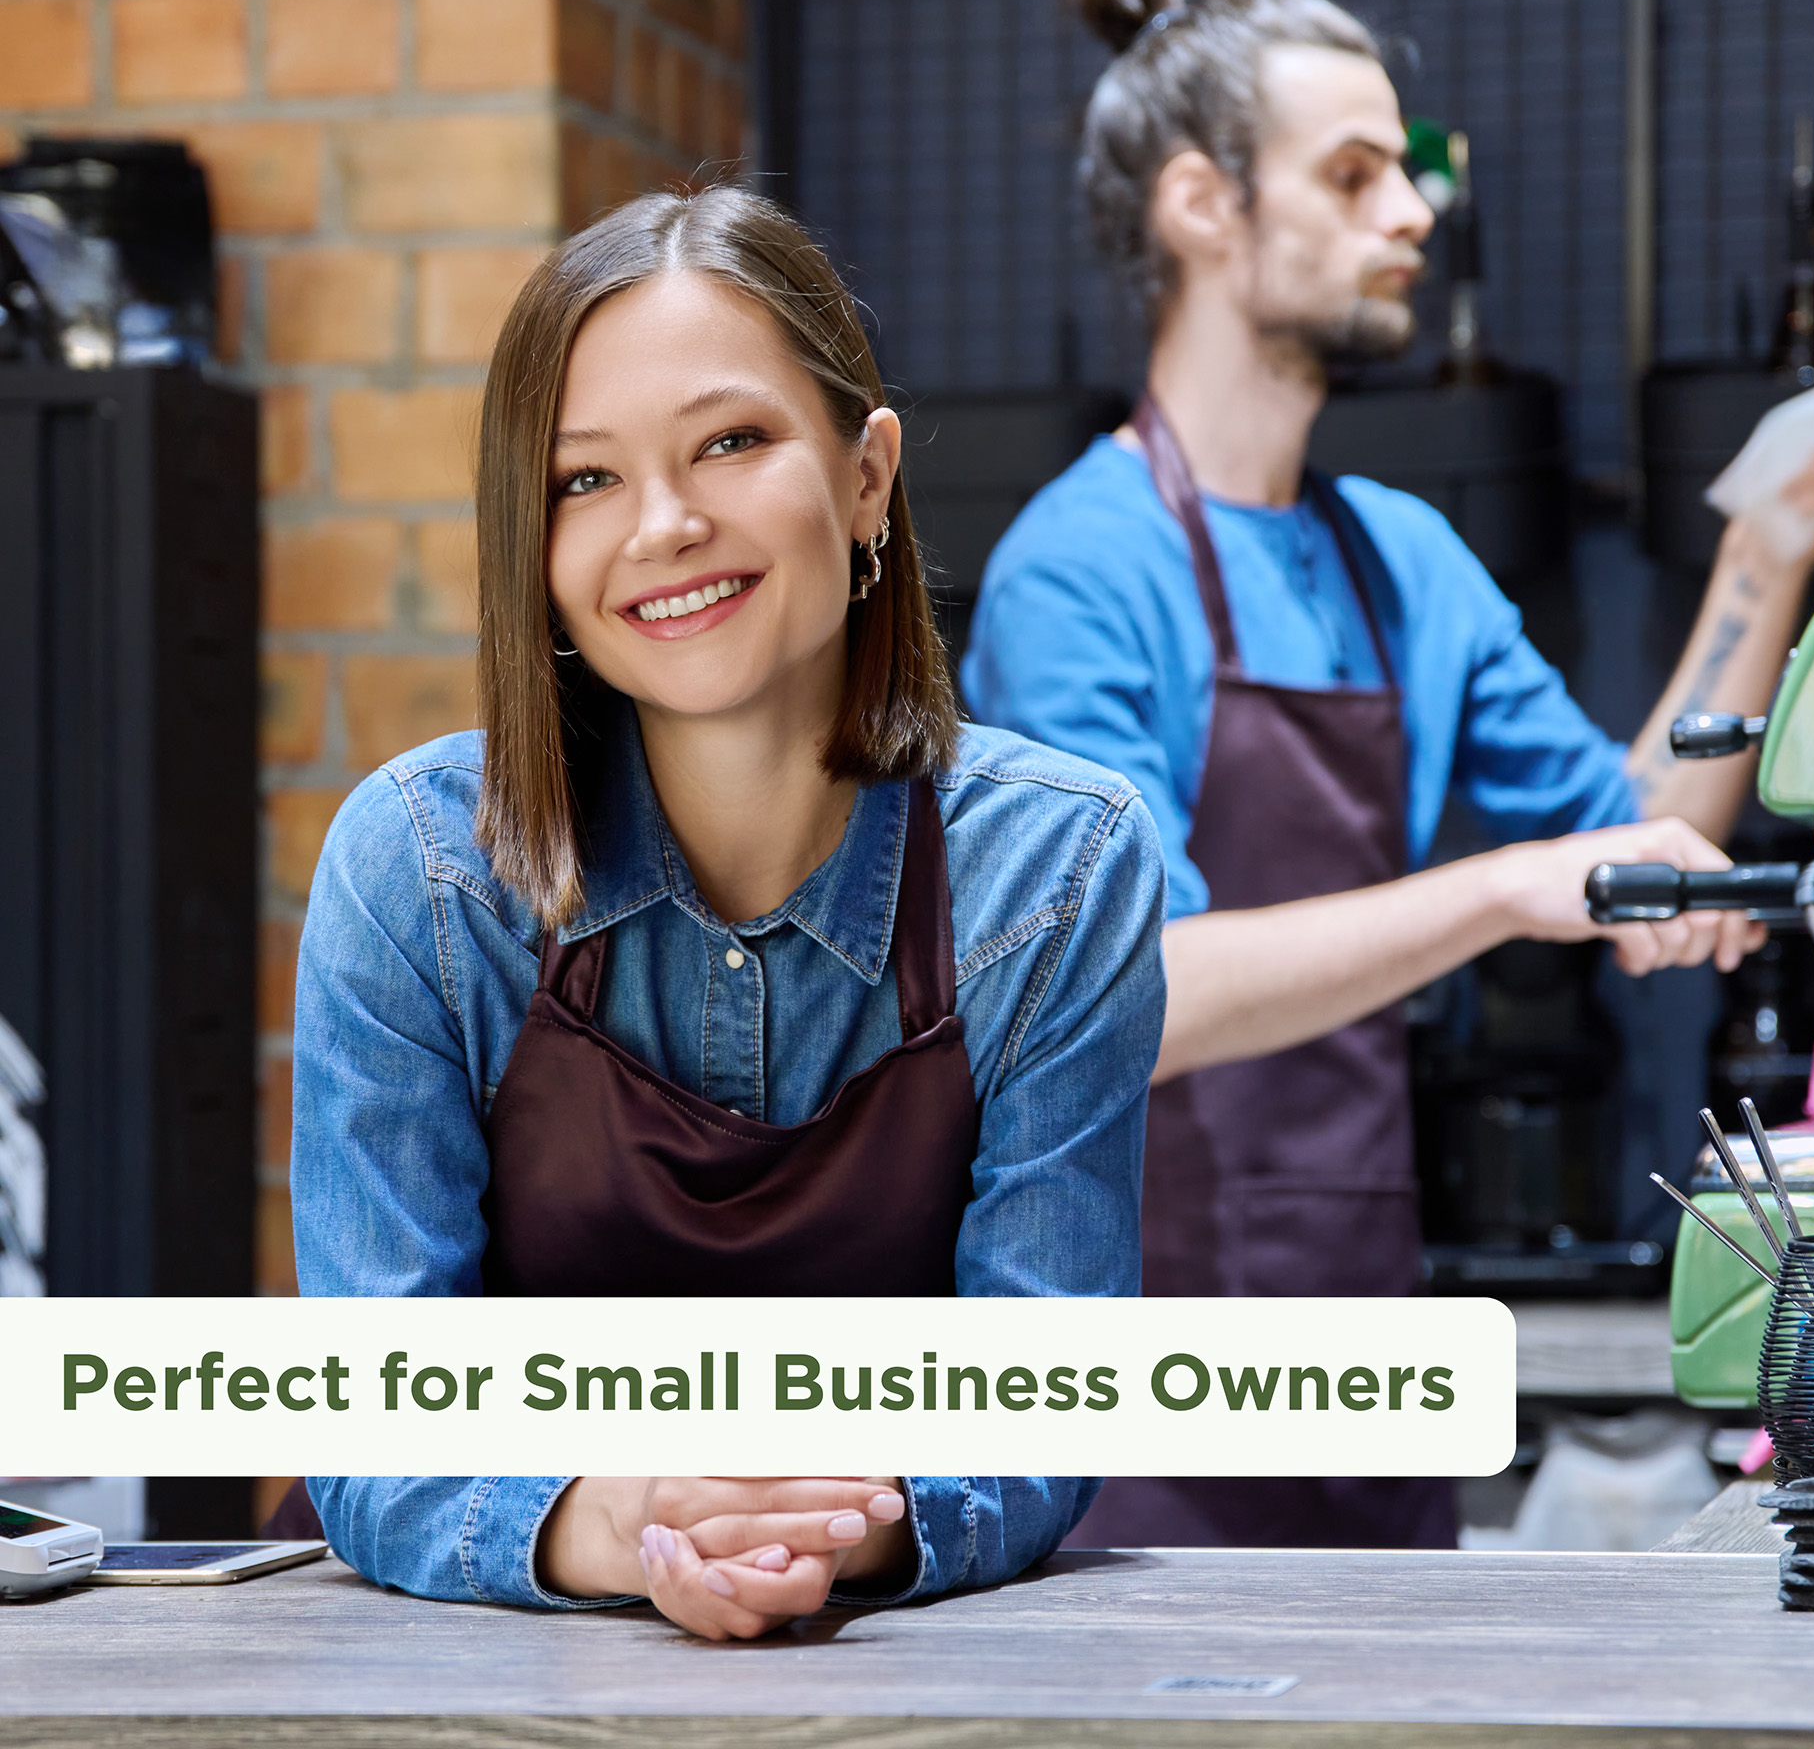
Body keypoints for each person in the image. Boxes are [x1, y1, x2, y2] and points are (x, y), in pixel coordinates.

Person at [959, 0, 1814, 1552]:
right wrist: (1502, 889)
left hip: (1361, 1347)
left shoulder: (1401, 558)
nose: (1417, 211)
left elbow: (1634, 851)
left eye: (1412, 169)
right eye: (1359, 172)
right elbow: (1130, 1005)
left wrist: (1765, 549)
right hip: (1137, 1387)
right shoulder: (1079, 569)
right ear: (1204, 206)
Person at [290, 185, 1166, 1639]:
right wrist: (614, 1524)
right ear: (536, 550)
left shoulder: (1059, 871)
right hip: (455, 1652)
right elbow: (377, 1427)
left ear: (867, 475)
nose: (668, 526)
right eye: (586, 482)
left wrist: (825, 1530)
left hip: (893, 1651)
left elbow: (1045, 1401)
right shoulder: (421, 872)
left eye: (732, 442)